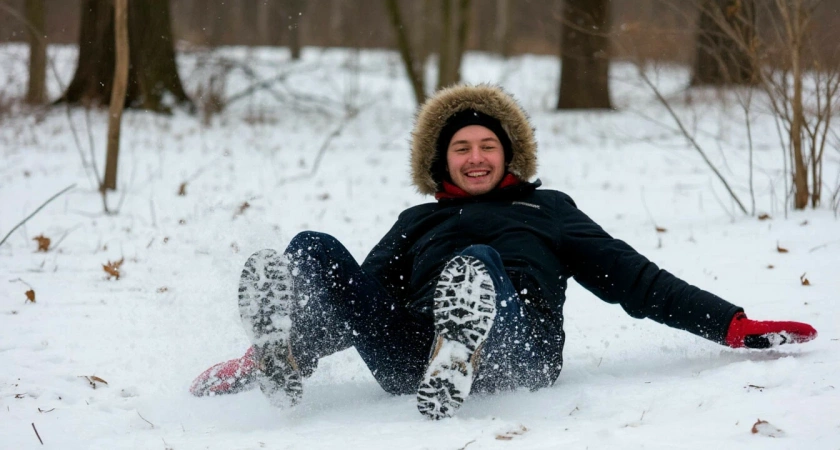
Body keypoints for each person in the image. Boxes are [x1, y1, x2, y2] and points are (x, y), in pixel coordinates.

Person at [190, 84, 817, 419]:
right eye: (461, 149)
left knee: (478, 268)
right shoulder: (417, 219)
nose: (475, 157)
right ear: (442, 161)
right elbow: (361, 306)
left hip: (521, 348)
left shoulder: (548, 211)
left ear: (508, 154)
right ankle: (284, 355)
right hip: (411, 358)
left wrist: (732, 325)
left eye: (486, 146)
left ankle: (466, 343)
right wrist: (268, 358)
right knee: (313, 250)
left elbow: (636, 278)